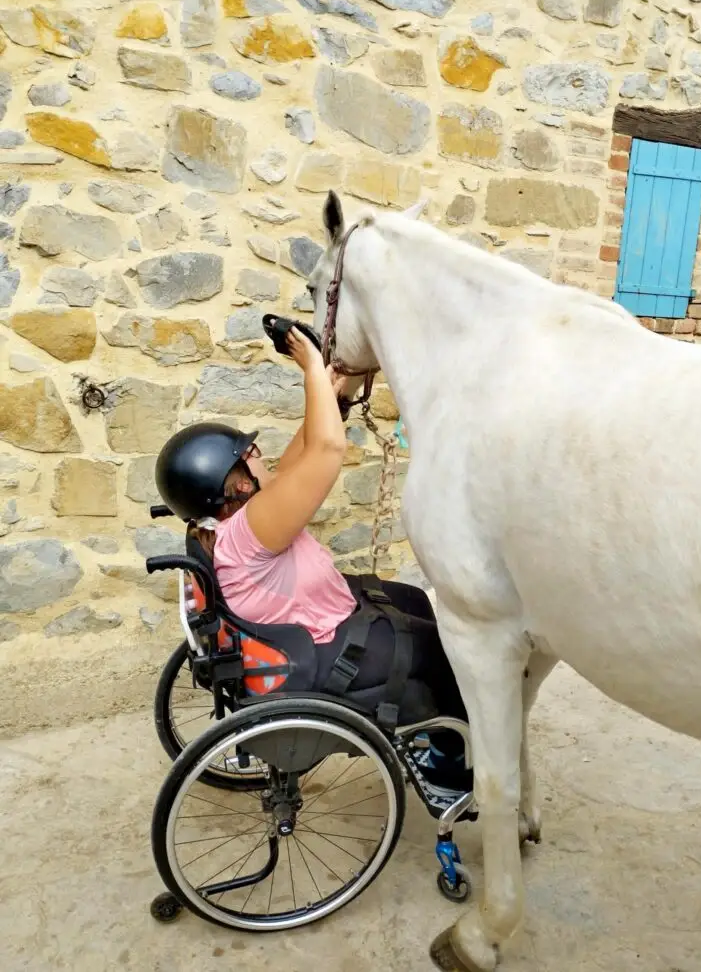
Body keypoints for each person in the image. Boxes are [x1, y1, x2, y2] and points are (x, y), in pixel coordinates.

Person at [155, 326, 469, 798]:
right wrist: (309, 372)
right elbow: (326, 451)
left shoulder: (228, 524)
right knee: (449, 651)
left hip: (306, 624)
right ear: (237, 485)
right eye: (249, 456)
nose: (259, 456)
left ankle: (421, 718)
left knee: (410, 600)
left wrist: (333, 389)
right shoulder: (252, 531)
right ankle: (447, 768)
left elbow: (298, 459)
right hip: (324, 650)